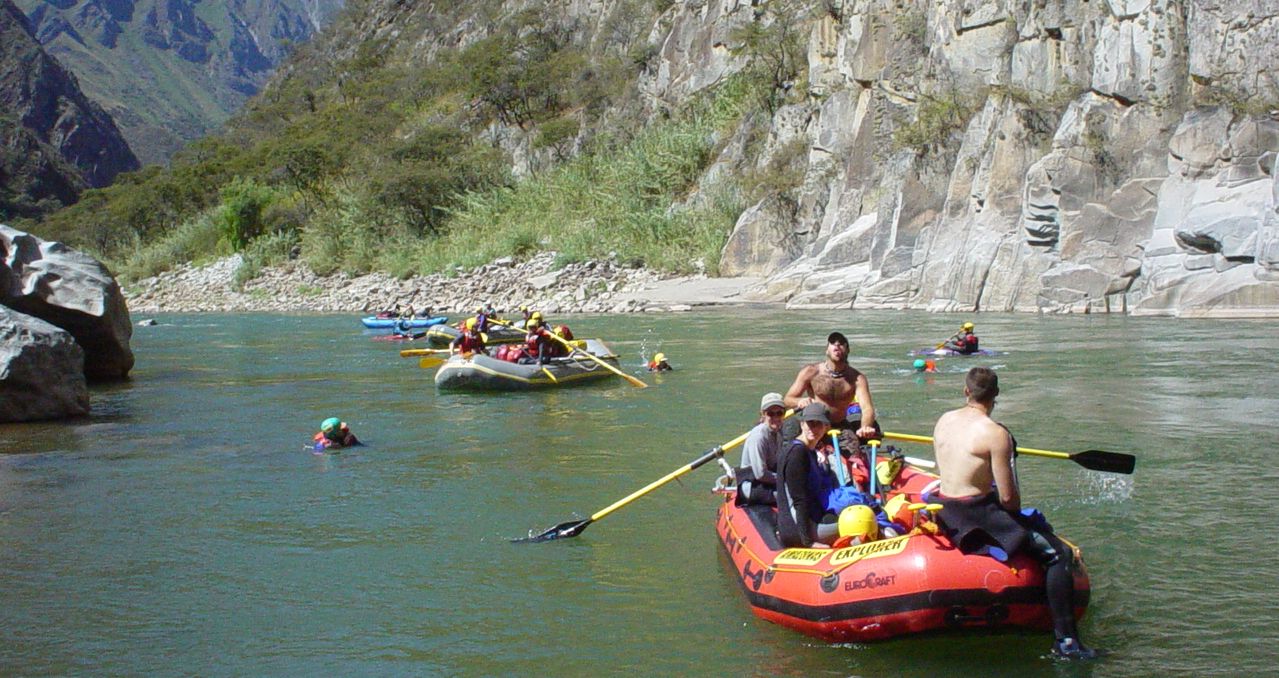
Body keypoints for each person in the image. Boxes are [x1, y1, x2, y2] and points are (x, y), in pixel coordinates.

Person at [933, 367, 1096, 659]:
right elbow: (1010, 501)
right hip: (975, 514)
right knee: (1059, 554)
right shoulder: (996, 434)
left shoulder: (944, 420)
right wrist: (1007, 454)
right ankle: (1067, 642)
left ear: (966, 391)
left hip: (946, 509)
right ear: (996, 395)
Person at [783, 331, 878, 440]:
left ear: (847, 350)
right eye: (833, 342)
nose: (837, 345)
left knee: (853, 449)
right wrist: (799, 401)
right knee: (790, 429)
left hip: (839, 427)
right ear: (827, 350)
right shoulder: (810, 372)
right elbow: (787, 400)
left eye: (841, 343)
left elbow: (867, 408)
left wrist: (865, 426)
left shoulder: (857, 378)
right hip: (812, 424)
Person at [775, 402, 841, 549]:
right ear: (802, 424)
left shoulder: (808, 451)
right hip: (797, 530)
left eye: (819, 424)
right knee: (854, 521)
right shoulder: (797, 454)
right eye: (810, 423)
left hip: (810, 519)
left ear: (826, 427)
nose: (814, 428)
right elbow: (799, 500)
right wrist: (807, 542)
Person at [736, 393, 786, 506]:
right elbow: (760, 474)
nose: (776, 418)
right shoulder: (758, 436)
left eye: (779, 413)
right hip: (753, 486)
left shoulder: (778, 432)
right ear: (763, 414)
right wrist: (785, 480)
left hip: (769, 482)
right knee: (792, 496)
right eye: (770, 414)